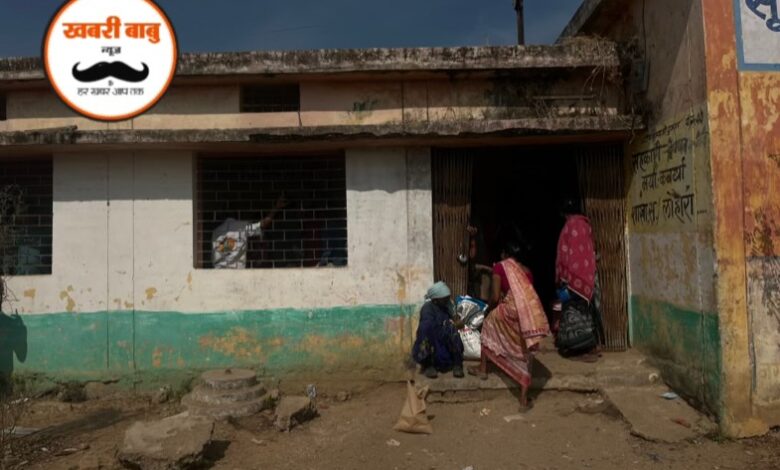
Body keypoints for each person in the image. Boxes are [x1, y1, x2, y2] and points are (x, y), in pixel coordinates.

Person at [468, 240, 550, 411]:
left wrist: (488, 309)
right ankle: (523, 400)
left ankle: (483, 369)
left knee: (488, 324)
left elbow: (495, 296)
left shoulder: (500, 267)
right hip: (526, 316)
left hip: (510, 311)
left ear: (505, 254)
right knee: (524, 350)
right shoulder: (527, 271)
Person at [554, 199, 604, 358]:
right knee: (588, 313)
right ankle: (590, 345)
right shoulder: (586, 225)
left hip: (571, 281)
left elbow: (563, 253)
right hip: (587, 279)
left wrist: (563, 276)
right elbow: (589, 251)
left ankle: (572, 345)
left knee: (571, 311)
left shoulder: (568, 226)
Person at [212, 195, 287, 269]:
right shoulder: (242, 227)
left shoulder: (216, 232)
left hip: (218, 272)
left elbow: (218, 253)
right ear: (237, 214)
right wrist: (276, 207)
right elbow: (263, 224)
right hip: (236, 272)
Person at [412, 281, 465, 379]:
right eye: (445, 298)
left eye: (448, 297)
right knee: (424, 329)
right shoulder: (427, 308)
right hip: (433, 338)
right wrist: (445, 325)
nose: (447, 299)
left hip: (445, 336)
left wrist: (455, 323)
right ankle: (428, 364)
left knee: (452, 330)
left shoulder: (448, 305)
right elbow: (428, 326)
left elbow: (458, 322)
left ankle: (457, 364)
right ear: (435, 300)